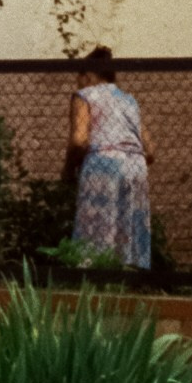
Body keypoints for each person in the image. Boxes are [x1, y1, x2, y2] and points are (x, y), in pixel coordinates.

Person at [68, 44, 153, 272]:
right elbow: (151, 150)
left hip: (104, 162)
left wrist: (69, 168)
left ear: (87, 75)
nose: (78, 83)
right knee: (128, 231)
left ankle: (93, 278)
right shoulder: (129, 101)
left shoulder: (85, 95)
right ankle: (129, 277)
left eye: (79, 78)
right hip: (136, 165)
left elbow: (79, 140)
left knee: (96, 228)